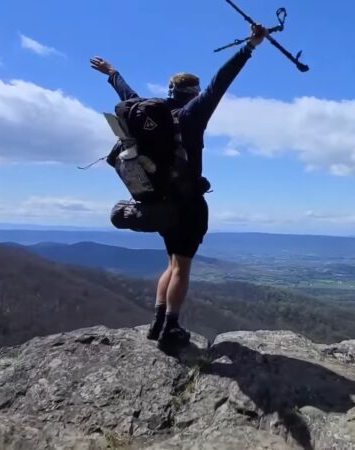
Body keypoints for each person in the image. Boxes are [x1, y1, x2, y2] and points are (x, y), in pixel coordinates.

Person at [90, 24, 268, 354]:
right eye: (198, 91)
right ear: (192, 92)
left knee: (171, 263)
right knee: (182, 268)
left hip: (157, 204)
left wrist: (112, 72)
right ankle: (171, 326)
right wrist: (249, 46)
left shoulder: (148, 116)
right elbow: (221, 82)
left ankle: (157, 323)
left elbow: (126, 95)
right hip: (187, 205)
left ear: (170, 91)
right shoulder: (191, 115)